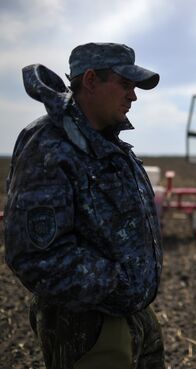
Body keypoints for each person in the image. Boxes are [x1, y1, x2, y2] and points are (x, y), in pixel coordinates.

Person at [4, 43, 164, 368]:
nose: (133, 95)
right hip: (87, 325)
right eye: (125, 84)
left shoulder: (105, 142)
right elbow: (36, 257)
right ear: (91, 80)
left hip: (129, 314)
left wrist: (133, 298)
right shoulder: (50, 145)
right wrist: (118, 283)